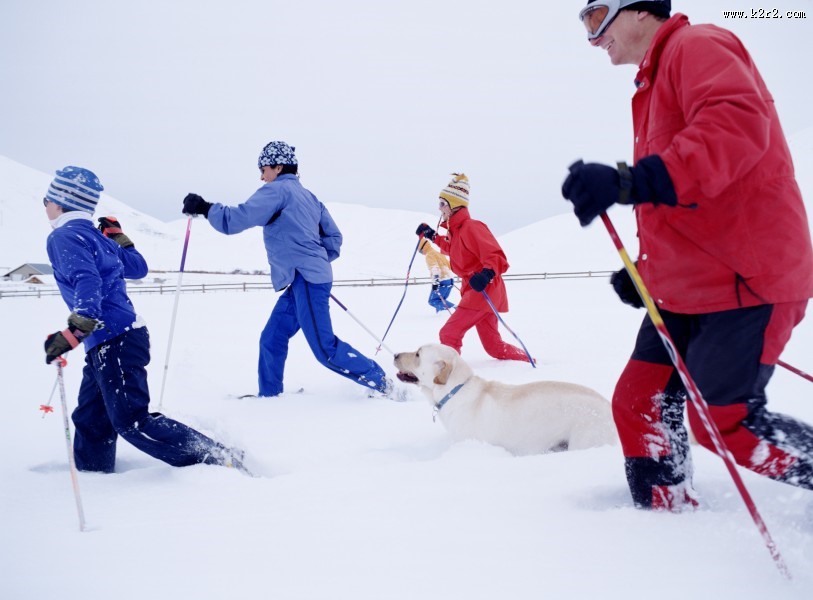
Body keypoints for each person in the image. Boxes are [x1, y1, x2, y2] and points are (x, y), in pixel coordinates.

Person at [561, 0, 813, 510]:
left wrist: (629, 182)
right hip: (684, 289)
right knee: (639, 402)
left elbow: (734, 133)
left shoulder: (696, 47)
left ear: (638, 10)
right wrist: (645, 273)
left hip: (745, 280)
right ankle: (665, 517)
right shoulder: (652, 87)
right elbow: (687, 202)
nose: (593, 38)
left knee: (724, 420)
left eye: (596, 18)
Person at [43, 166, 246, 474]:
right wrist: (119, 238)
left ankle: (218, 458)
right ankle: (93, 475)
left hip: (113, 338)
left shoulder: (64, 236)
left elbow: (87, 282)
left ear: (61, 201)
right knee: (91, 419)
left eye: (47, 198)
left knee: (132, 421)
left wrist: (75, 330)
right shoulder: (97, 238)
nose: (44, 204)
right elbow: (137, 267)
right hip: (113, 339)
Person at [182, 141, 392, 398]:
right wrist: (315, 260)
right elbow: (334, 238)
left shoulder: (276, 191)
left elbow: (235, 220)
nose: (262, 176)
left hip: (307, 279)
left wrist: (204, 207)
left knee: (324, 349)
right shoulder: (310, 197)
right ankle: (270, 397)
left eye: (264, 169)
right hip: (302, 279)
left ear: (278, 167)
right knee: (272, 337)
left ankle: (382, 383)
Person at [415, 173, 531, 362]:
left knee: (449, 333)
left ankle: (451, 377)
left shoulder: (472, 227)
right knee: (494, 347)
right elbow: (451, 248)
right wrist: (431, 235)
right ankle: (528, 359)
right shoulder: (457, 232)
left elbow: (496, 255)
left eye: (443, 203)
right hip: (475, 290)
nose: (439, 208)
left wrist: (486, 274)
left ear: (454, 205)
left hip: (484, 289)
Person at [418, 237, 456, 313]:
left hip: (442, 281)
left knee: (433, 300)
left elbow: (435, 269)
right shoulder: (438, 253)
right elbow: (449, 265)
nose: (421, 253)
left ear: (423, 248)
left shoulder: (429, 255)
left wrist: (435, 282)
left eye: (420, 251)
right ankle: (439, 316)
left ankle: (456, 309)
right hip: (450, 280)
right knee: (441, 301)